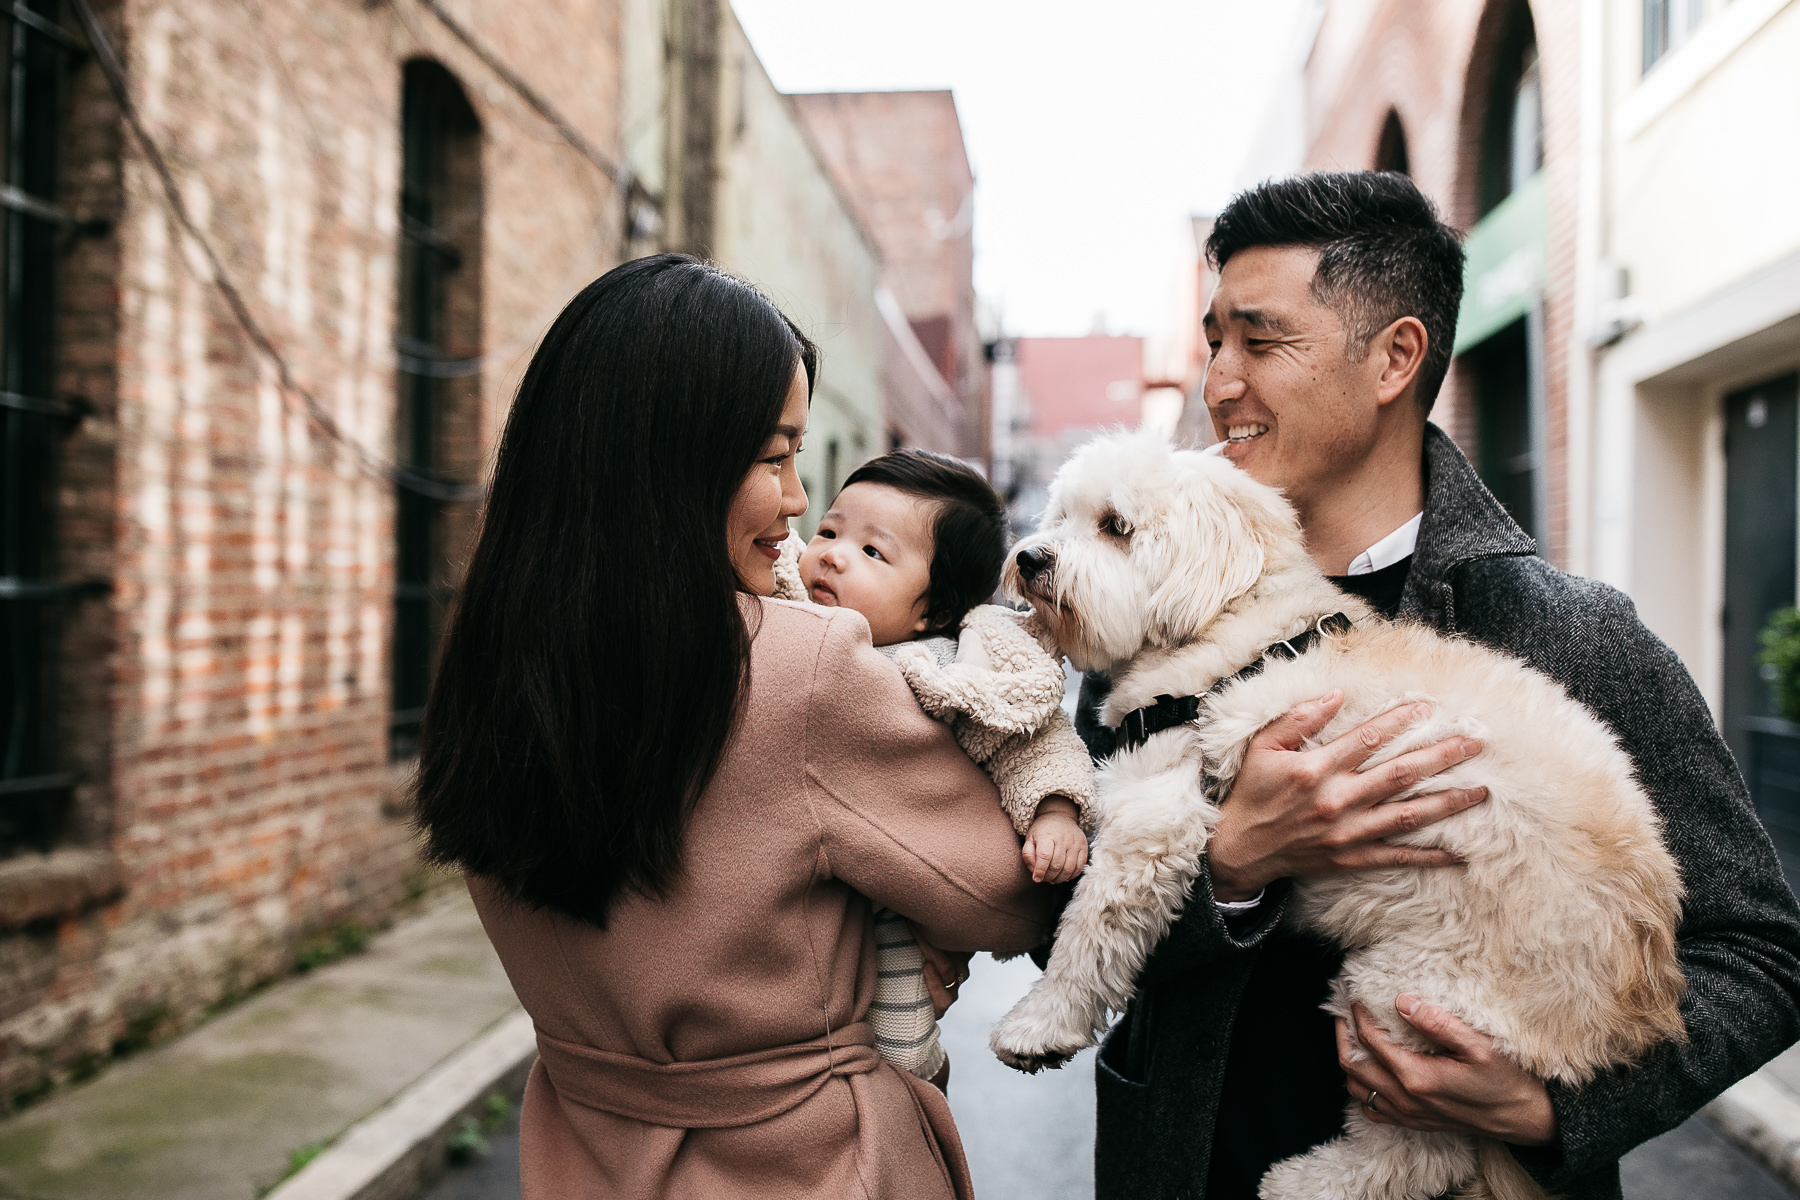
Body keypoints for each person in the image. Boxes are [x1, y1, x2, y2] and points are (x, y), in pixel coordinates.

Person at [1076, 171, 1800, 1200]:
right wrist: (1232, 864)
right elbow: (1050, 908)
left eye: (1260, 340)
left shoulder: (1572, 636)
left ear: (1396, 359)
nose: (1218, 381)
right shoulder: (1140, 609)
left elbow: (1762, 953)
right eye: (1214, 341)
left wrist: (1553, 1109)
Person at [412, 254, 1051, 1200]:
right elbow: (1008, 893)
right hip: (800, 1165)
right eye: (773, 456)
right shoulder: (800, 667)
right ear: (679, 461)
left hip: (584, 1159)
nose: (798, 502)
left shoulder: (486, 659)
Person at [784, 448, 1096, 1084]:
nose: (835, 554)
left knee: (902, 1021)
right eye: (830, 530)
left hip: (899, 897)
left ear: (932, 612)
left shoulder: (955, 671)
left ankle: (914, 1083)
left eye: (874, 553)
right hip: (807, 887)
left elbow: (1032, 740)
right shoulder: (786, 608)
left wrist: (1056, 811)